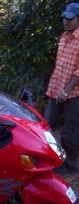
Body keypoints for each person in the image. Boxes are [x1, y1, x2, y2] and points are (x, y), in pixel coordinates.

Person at [45, 3, 79, 173]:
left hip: (74, 94)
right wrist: (57, 89)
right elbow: (61, 65)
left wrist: (66, 91)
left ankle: (70, 165)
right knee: (46, 125)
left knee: (69, 132)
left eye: (70, 18)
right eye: (64, 17)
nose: (66, 21)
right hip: (56, 90)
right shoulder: (64, 36)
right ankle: (47, 157)